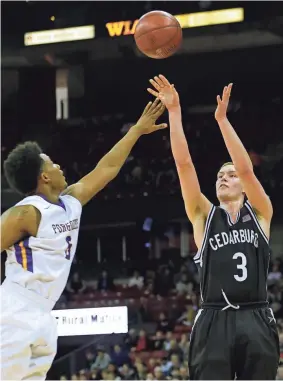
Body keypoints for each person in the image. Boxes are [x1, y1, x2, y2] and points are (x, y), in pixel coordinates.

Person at [0, 98, 167, 380]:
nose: (59, 166)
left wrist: (136, 130)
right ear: (44, 177)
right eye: (52, 163)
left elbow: (107, 169)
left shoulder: (71, 202)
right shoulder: (25, 213)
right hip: (15, 309)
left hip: (44, 313)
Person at [148, 75, 279, 379]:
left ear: (244, 187)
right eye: (220, 175)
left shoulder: (260, 212)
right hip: (213, 317)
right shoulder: (203, 216)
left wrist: (222, 121)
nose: (224, 177)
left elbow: (246, 169)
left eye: (230, 175)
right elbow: (184, 166)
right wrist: (174, 112)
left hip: (256, 315)